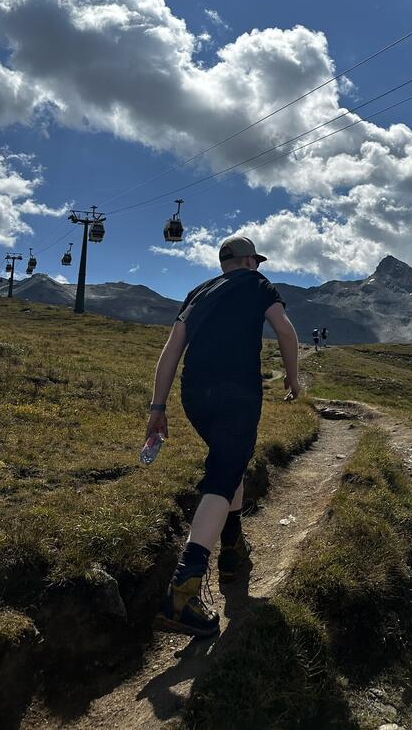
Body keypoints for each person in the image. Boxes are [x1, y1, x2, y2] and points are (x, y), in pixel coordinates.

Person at [146, 236, 301, 637]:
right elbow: (285, 331)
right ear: (250, 260)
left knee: (228, 463)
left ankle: (231, 549)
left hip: (195, 396)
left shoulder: (198, 292)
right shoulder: (258, 283)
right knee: (221, 478)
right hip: (239, 394)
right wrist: (293, 377)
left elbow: (170, 351)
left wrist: (157, 409)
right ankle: (182, 591)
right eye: (256, 260)